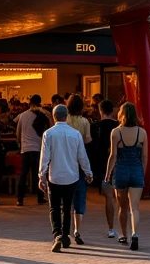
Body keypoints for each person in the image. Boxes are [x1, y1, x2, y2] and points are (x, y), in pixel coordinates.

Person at [40, 104, 92, 252]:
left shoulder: (48, 134)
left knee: (54, 207)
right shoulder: (75, 134)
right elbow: (82, 155)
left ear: (54, 116)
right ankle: (66, 234)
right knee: (68, 207)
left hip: (54, 176)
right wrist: (88, 172)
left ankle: (57, 234)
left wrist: (41, 176)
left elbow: (45, 157)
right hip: (72, 176)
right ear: (66, 116)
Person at [105, 102, 148, 250]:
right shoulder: (142, 133)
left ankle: (124, 235)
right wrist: (142, 172)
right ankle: (135, 233)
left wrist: (108, 173)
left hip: (121, 171)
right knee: (134, 207)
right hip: (136, 170)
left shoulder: (116, 132)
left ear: (121, 114)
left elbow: (113, 155)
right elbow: (145, 156)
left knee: (122, 207)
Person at [66, 93, 92, 244]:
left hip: (66, 161)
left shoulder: (65, 120)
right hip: (79, 161)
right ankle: (77, 230)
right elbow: (87, 139)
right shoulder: (84, 121)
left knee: (66, 197)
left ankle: (66, 228)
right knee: (80, 196)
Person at [15, 94, 48, 206]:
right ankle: (40, 197)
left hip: (26, 149)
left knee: (24, 173)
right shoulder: (44, 114)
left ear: (30, 103)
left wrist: (19, 144)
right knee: (38, 174)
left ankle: (20, 198)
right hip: (38, 148)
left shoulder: (22, 116)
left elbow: (18, 133)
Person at [94, 99, 119, 237]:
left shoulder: (96, 126)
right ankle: (124, 225)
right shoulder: (119, 127)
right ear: (113, 110)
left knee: (108, 197)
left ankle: (111, 228)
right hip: (119, 164)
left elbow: (94, 148)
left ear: (100, 110)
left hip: (103, 165)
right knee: (121, 198)